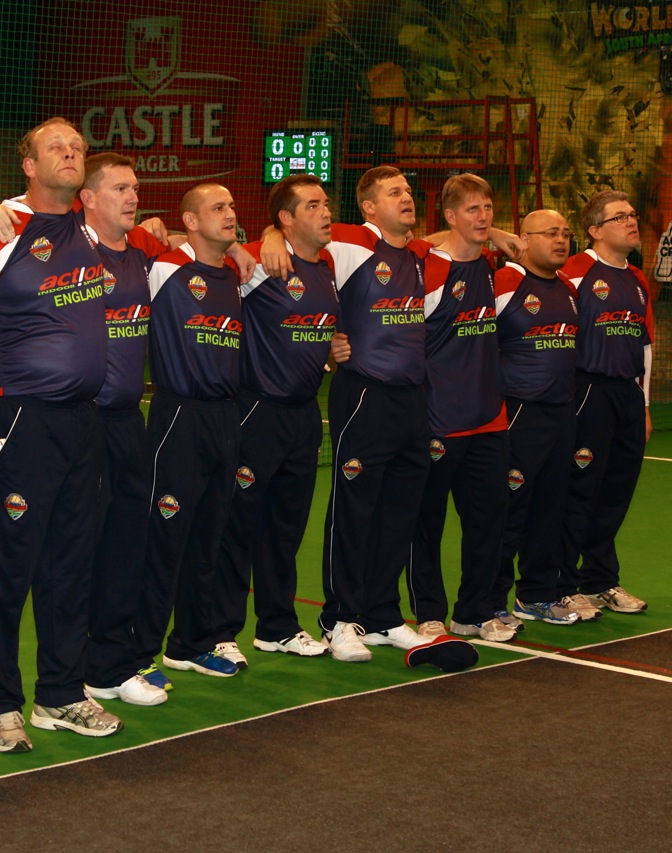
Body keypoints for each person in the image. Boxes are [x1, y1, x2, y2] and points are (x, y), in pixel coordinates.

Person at [0, 118, 121, 752]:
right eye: (57, 146)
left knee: (72, 562)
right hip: (21, 418)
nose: (71, 153)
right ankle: (1, 704)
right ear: (28, 165)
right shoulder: (3, 228)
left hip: (84, 419)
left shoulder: (87, 229)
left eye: (78, 146)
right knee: (10, 565)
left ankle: (60, 692)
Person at [264, 166, 433, 662]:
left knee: (399, 512)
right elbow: (296, 236)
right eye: (394, 193)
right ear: (369, 208)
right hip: (364, 395)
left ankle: (382, 615)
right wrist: (272, 232)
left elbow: (453, 240)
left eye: (408, 191)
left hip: (412, 400)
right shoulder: (352, 242)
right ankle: (340, 618)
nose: (406, 198)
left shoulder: (420, 253)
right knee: (354, 510)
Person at [214, 174, 346, 661]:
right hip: (256, 413)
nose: (326, 212)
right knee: (237, 527)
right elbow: (202, 246)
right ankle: (220, 632)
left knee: (285, 530)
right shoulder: (259, 262)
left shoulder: (328, 266)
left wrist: (332, 347)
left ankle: (277, 627)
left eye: (326, 203)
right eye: (312, 205)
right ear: (287, 218)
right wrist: (260, 238)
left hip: (305, 417)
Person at [133, 183, 243, 681]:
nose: (230, 213)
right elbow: (109, 244)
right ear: (191, 221)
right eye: (218, 207)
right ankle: (139, 654)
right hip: (179, 417)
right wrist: (152, 229)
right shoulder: (165, 267)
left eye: (232, 206)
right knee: (164, 539)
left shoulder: (237, 274)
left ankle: (191, 643)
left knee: (210, 537)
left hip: (226, 419)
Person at [77, 153, 170, 706]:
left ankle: (110, 666)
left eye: (135, 188)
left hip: (129, 422)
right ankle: (71, 672)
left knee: (125, 545)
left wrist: (243, 245)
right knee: (79, 551)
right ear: (88, 198)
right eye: (119, 188)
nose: (133, 197)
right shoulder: (68, 248)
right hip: (82, 423)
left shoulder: (143, 252)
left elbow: (203, 244)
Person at [405, 174, 516, 643]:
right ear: (450, 216)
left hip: (490, 420)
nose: (484, 216)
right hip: (438, 421)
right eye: (472, 209)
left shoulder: (492, 266)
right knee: (426, 525)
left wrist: (493, 234)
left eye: (488, 208)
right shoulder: (428, 268)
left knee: (488, 524)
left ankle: (473, 612)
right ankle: (430, 613)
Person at [558, 191, 654, 614]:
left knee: (616, 491)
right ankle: (562, 583)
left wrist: (644, 405)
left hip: (627, 397)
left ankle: (600, 580)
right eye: (620, 217)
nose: (631, 222)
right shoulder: (575, 272)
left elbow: (645, 346)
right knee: (579, 490)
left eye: (632, 215)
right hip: (587, 393)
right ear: (595, 230)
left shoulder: (638, 279)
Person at [491, 209, 586, 625]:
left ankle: (536, 596)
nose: (561, 240)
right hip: (518, 414)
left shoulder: (568, 288)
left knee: (551, 509)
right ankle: (491, 601)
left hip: (562, 413)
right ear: (524, 239)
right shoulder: (504, 282)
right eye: (550, 233)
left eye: (565, 233)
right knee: (509, 511)